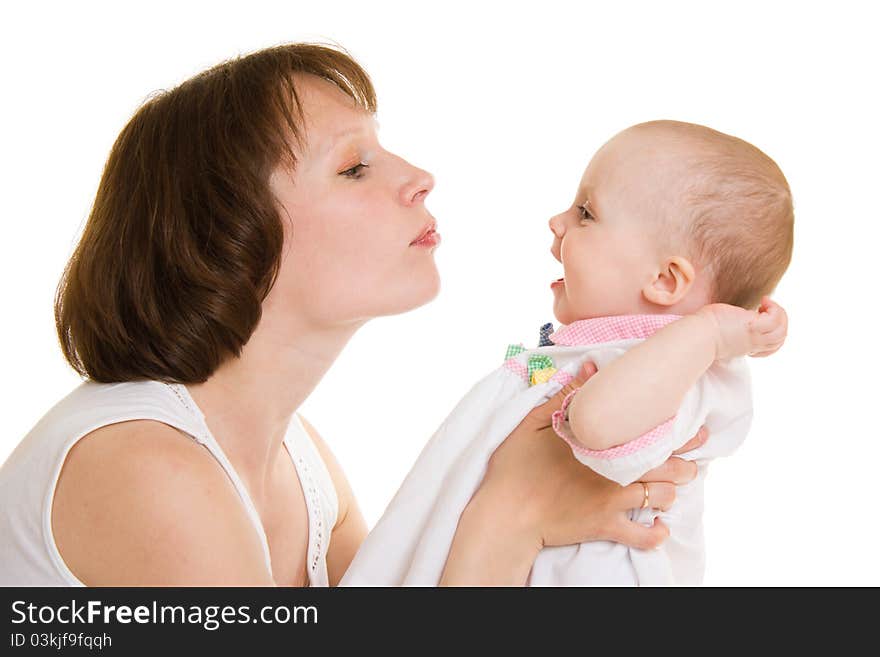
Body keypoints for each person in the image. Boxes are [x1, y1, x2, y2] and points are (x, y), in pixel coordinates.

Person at [0, 45, 705, 587]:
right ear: (232, 241)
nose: (417, 176)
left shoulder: (300, 462)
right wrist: (511, 514)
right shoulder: (148, 469)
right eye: (353, 167)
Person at [341, 121, 792, 585]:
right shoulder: (594, 352)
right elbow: (517, 400)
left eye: (586, 213)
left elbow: (596, 423)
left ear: (664, 281)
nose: (558, 223)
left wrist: (712, 333)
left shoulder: (688, 371)